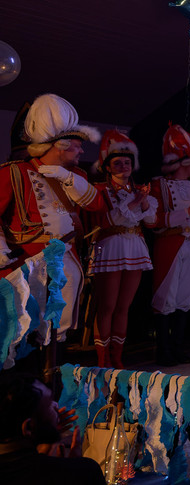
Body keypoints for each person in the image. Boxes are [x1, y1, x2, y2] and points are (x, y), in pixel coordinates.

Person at [0, 94, 103, 354]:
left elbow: (97, 205)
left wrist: (66, 177)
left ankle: (49, 374)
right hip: (29, 263)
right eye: (77, 146)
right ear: (59, 146)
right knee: (23, 326)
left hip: (67, 260)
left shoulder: (75, 176)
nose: (82, 151)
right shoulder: (14, 172)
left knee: (58, 329)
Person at [85, 130, 157, 368]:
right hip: (110, 247)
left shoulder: (139, 191)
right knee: (107, 306)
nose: (124, 166)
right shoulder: (99, 190)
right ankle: (103, 359)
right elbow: (107, 221)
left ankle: (117, 357)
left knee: (124, 307)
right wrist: (135, 202)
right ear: (107, 167)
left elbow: (151, 222)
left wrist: (142, 201)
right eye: (117, 163)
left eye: (127, 162)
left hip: (134, 247)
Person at [147, 123, 190, 366]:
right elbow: (154, 221)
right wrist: (187, 212)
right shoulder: (158, 185)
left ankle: (177, 347)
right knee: (166, 296)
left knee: (185, 297)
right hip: (169, 244)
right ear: (184, 161)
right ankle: (163, 349)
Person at [0, 371, 104, 484]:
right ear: (29, 427)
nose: (56, 405)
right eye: (49, 403)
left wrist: (42, 442)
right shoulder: (84, 471)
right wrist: (72, 468)